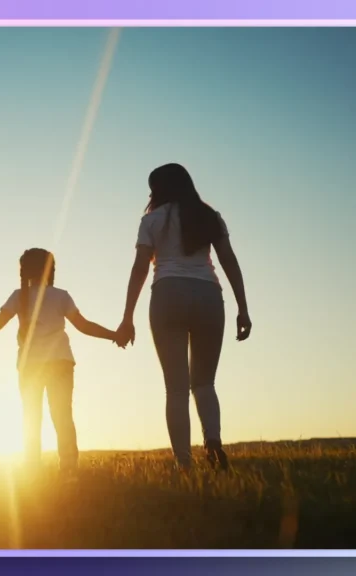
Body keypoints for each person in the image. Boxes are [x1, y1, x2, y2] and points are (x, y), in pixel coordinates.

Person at [115, 163, 252, 472]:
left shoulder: (152, 220)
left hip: (168, 294)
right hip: (208, 295)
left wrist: (127, 317)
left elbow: (139, 268)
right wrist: (243, 308)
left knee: (176, 388)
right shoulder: (209, 217)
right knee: (204, 382)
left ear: (158, 189)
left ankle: (184, 463)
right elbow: (228, 260)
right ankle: (213, 444)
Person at [0, 248, 123, 474]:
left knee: (31, 417)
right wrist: (114, 335)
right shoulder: (61, 296)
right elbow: (84, 326)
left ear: (24, 271)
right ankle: (69, 471)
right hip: (60, 362)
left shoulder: (19, 296)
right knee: (62, 416)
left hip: (30, 366)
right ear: (51, 270)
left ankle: (32, 471)